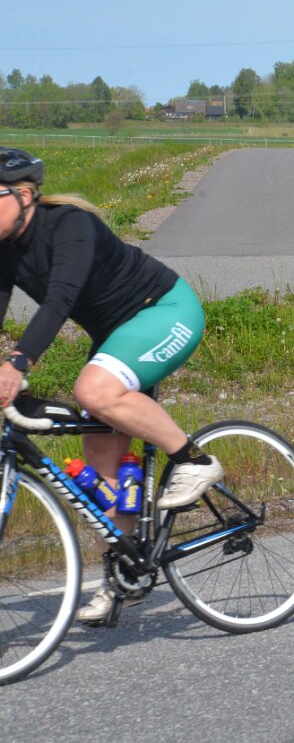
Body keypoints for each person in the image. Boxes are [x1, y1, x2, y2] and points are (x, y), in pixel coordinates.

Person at [0, 149, 220, 625]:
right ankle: (126, 570)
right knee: (101, 460)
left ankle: (195, 461)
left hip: (164, 312)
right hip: (116, 337)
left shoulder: (70, 225)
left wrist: (18, 363)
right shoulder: (4, 250)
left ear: (24, 194)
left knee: (94, 392)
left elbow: (59, 301)